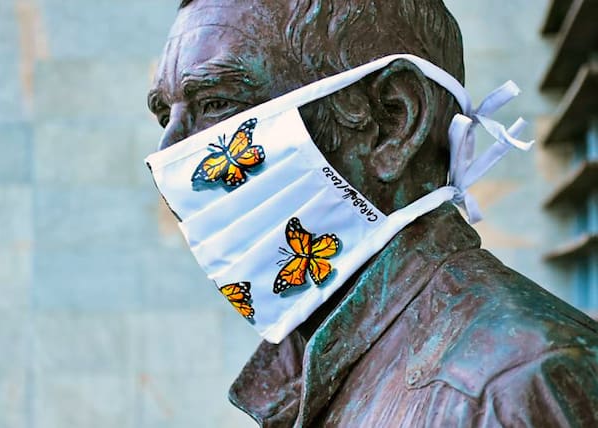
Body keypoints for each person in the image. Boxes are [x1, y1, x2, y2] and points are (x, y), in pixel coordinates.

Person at [147, 0, 598, 426]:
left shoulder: (514, 389)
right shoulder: (308, 357)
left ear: (393, 121)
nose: (168, 154)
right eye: (165, 116)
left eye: (217, 105)